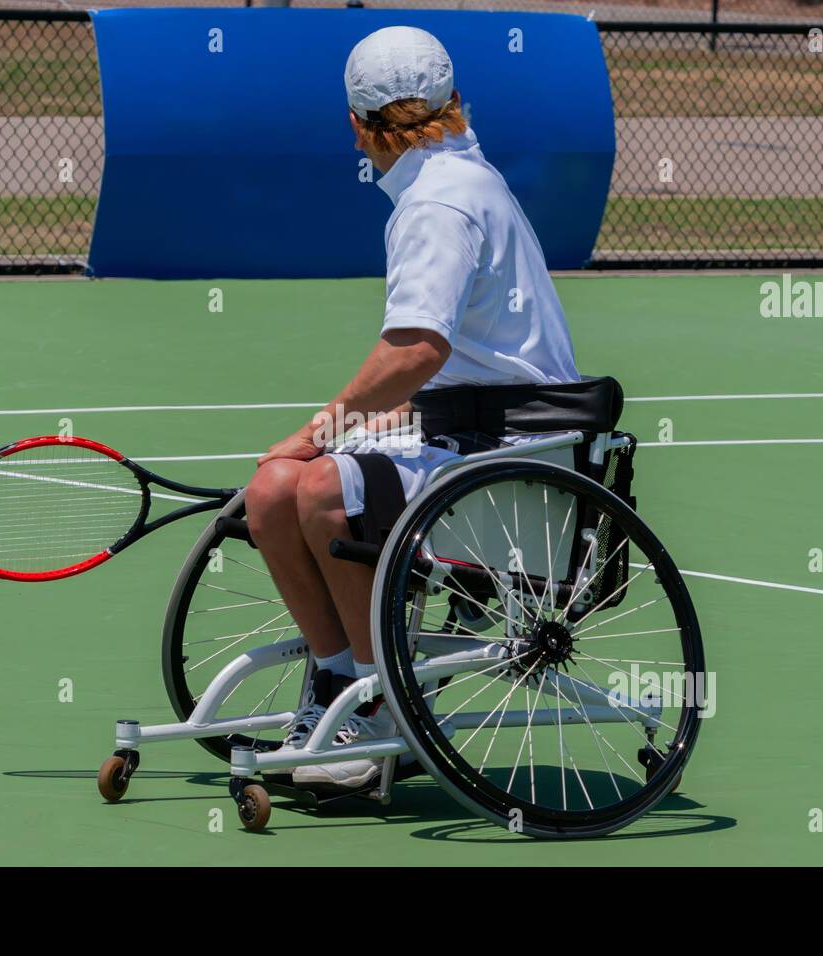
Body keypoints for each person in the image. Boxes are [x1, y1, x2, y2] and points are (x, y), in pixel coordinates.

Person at [245, 25, 582, 790]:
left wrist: (314, 434)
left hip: (515, 453)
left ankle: (384, 700)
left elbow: (416, 353)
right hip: (473, 427)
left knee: (319, 482)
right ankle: (338, 684)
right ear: (456, 102)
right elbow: (440, 375)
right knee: (271, 491)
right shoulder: (458, 175)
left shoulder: (439, 200)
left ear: (357, 127)